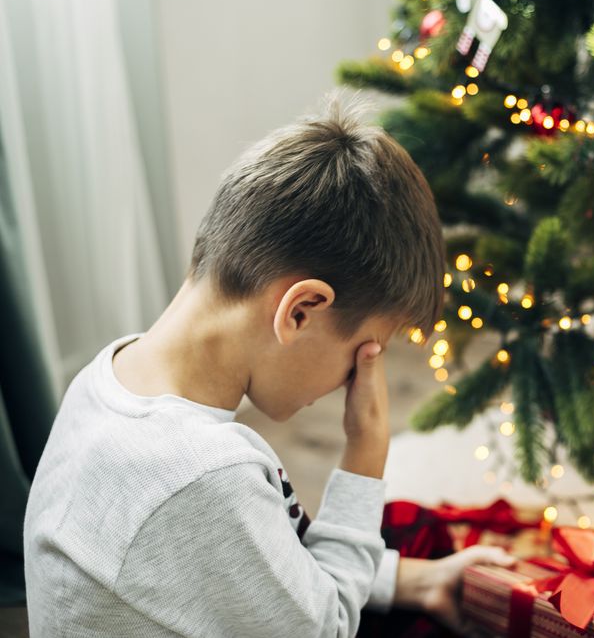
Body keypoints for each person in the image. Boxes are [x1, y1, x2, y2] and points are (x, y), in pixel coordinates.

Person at [22, 92, 514, 637]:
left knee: (408, 536)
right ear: (302, 311)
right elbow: (326, 628)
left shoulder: (110, 375)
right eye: (364, 354)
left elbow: (253, 566)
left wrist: (413, 580)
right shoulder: (205, 473)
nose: (358, 381)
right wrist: (365, 456)